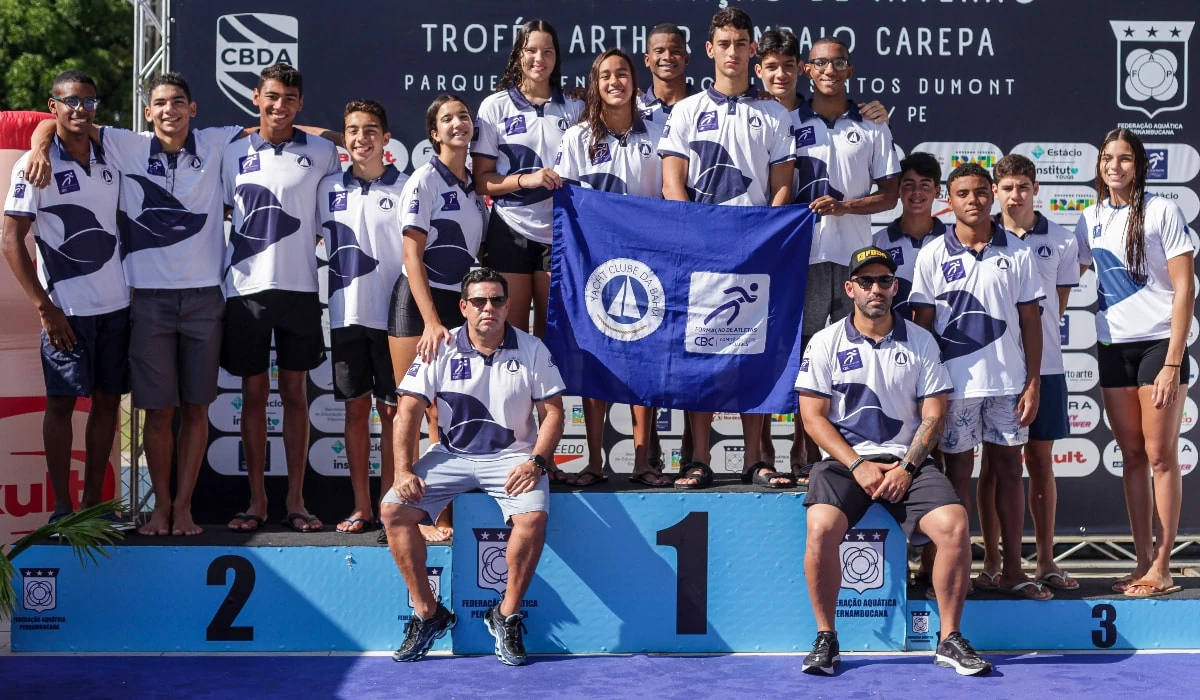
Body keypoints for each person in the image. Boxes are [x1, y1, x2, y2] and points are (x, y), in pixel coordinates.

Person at [26, 72, 246, 536]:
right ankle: (160, 509)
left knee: (197, 410)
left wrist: (334, 137)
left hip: (206, 298)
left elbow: (274, 128)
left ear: (193, 109)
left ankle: (183, 507)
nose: (171, 110)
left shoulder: (217, 142)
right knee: (158, 412)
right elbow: (63, 120)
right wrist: (39, 148)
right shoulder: (125, 144)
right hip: (144, 300)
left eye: (179, 102)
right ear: (148, 112)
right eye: (161, 103)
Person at [797, 246, 991, 677]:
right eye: (865, 282)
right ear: (850, 289)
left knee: (955, 525)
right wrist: (857, 466)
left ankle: (949, 640)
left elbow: (934, 414)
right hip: (845, 463)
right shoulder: (825, 341)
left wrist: (905, 468)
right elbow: (812, 417)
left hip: (909, 462)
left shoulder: (921, 341)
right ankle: (826, 637)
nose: (875, 289)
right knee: (820, 527)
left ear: (895, 287)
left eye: (884, 281)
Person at [383, 267, 564, 666]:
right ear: (464, 307)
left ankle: (506, 614)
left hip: (513, 455)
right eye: (479, 301)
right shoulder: (439, 346)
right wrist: (403, 470)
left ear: (508, 305)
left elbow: (553, 414)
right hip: (451, 455)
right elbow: (408, 412)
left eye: (497, 300)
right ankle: (429, 614)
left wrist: (536, 461)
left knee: (532, 518)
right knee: (394, 510)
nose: (489, 308)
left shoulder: (532, 347)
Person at [658, 7, 796, 490]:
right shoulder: (686, 110)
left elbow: (782, 188)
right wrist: (700, 238)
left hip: (755, 253)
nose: (733, 52)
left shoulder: (775, 114)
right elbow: (672, 184)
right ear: (710, 50)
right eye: (725, 43)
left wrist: (759, 239)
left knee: (750, 352)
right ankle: (697, 457)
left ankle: (756, 457)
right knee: (701, 354)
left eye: (742, 43)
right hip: (700, 254)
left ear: (752, 50)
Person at [753, 28, 893, 479]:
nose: (829, 71)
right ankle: (799, 450)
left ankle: (835, 450)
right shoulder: (787, 119)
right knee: (805, 357)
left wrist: (843, 206)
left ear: (849, 70)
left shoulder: (872, 124)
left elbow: (889, 195)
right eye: (820, 63)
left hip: (855, 259)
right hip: (803, 258)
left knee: (844, 358)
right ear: (807, 71)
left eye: (838, 63)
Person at [910, 163, 1052, 600]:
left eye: (979, 192)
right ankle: (956, 571)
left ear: (992, 195)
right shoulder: (933, 254)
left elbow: (1032, 322)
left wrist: (1032, 382)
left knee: (1010, 472)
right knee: (956, 478)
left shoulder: (1018, 253)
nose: (973, 200)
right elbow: (923, 326)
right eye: (962, 194)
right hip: (953, 389)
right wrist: (928, 390)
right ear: (947, 201)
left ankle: (1012, 569)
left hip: (1008, 384)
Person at [1, 70, 131, 530]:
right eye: (70, 102)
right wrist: (44, 307)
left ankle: (96, 505)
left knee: (106, 403)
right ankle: (62, 508)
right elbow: (11, 239)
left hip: (116, 306)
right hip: (64, 310)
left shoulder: (111, 151)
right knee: (60, 406)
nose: (80, 110)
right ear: (52, 106)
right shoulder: (34, 165)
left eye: (89, 102)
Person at [1075, 128, 1195, 598]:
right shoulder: (1090, 218)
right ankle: (1142, 562)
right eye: (1107, 158)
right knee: (1131, 458)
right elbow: (1066, 277)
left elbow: (1184, 289)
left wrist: (1172, 361)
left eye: (1124, 159)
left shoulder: (1164, 210)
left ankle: (1163, 566)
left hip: (1157, 347)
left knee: (1162, 457)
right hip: (1111, 347)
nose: (1114, 166)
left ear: (1139, 165)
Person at [221, 63, 340, 532]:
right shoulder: (230, 153)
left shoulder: (323, 151)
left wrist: (304, 128)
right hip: (245, 290)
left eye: (289, 98)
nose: (279, 105)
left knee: (294, 394)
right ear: (256, 97)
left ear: (301, 103)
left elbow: (356, 143)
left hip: (300, 289)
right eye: (272, 97)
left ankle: (295, 500)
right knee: (253, 395)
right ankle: (256, 501)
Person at [554, 49, 671, 488]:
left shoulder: (661, 131)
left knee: (645, 358)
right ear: (595, 84)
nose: (614, 81)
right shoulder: (578, 137)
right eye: (605, 76)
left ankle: (643, 460)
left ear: (634, 82)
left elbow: (670, 195)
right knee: (595, 361)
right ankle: (594, 461)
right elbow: (567, 206)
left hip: (649, 262)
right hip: (594, 262)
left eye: (622, 73)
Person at [976, 154, 1079, 590]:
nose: (1015, 195)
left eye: (1023, 186)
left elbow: (1053, 310)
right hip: (994, 369)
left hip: (1046, 368)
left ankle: (1046, 561)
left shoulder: (1061, 239)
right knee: (993, 467)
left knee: (1040, 462)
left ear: (1036, 189)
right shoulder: (983, 239)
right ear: (995, 193)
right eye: (1007, 188)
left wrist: (1034, 370)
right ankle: (995, 562)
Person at [388, 93, 489, 542]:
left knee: (443, 417)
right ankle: (403, 510)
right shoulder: (424, 180)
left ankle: (439, 515)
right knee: (411, 407)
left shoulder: (475, 185)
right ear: (434, 133)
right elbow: (412, 255)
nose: (457, 124)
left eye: (464, 117)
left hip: (457, 304)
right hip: (417, 304)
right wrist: (431, 321)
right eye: (447, 119)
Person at [317, 100, 408, 533]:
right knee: (356, 412)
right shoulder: (326, 187)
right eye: (352, 130)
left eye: (370, 130)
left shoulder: (408, 187)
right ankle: (361, 506)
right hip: (345, 316)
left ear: (386, 139)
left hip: (395, 320)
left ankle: (388, 502)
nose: (361, 138)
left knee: (392, 414)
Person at [472, 19, 582, 339]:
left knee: (552, 339)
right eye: (531, 50)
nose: (539, 59)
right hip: (511, 231)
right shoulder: (495, 107)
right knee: (512, 335)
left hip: (560, 233)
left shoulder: (575, 106)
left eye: (547, 52)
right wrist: (527, 181)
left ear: (556, 57)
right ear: (518, 55)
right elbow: (482, 181)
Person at [872, 152, 947, 321]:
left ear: (937, 191)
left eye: (925, 185)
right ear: (898, 189)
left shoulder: (953, 241)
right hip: (893, 341)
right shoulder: (877, 243)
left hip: (943, 342)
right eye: (909, 184)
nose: (916, 192)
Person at [638, 24, 694, 124]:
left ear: (686, 59)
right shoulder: (635, 111)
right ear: (647, 60)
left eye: (675, 51)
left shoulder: (705, 106)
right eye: (659, 51)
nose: (667, 57)